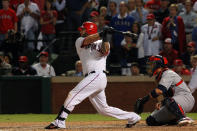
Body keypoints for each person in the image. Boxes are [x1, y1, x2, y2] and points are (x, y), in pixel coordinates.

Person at [45, 21, 141, 129]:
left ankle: (60, 121)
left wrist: (104, 36)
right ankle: (133, 117)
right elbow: (88, 40)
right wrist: (102, 33)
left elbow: (105, 51)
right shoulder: (79, 41)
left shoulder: (103, 42)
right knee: (103, 110)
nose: (81, 31)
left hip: (97, 76)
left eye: (83, 29)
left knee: (73, 94)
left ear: (89, 30)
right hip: (92, 78)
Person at [134, 55, 194, 126]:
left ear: (158, 64)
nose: (149, 66)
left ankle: (183, 118)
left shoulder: (168, 73)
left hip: (186, 99)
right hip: (174, 101)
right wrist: (162, 102)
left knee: (167, 100)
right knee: (150, 121)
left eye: (152, 64)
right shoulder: (158, 78)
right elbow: (163, 95)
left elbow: (159, 91)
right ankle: (175, 120)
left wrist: (144, 100)